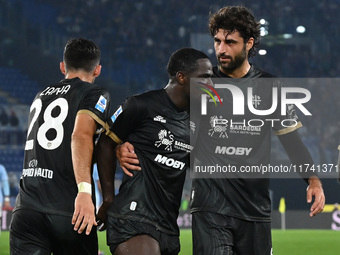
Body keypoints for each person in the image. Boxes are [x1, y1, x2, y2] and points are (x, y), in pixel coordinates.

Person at [116, 6, 325, 255]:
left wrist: (312, 180)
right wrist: (121, 143)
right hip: (210, 206)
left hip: (254, 209)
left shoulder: (270, 87)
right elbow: (156, 113)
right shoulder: (201, 84)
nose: (221, 49)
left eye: (230, 42)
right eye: (217, 41)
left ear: (249, 43)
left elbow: (291, 141)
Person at [96, 48, 213, 255]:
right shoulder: (141, 105)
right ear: (182, 77)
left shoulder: (197, 122)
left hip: (167, 226)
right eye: (204, 77)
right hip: (134, 217)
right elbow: (105, 143)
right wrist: (108, 198)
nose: (210, 85)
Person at [10, 38, 111, 254]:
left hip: (26, 209)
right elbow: (80, 135)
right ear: (97, 70)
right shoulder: (93, 93)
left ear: (63, 66)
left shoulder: (40, 96)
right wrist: (84, 191)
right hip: (69, 209)